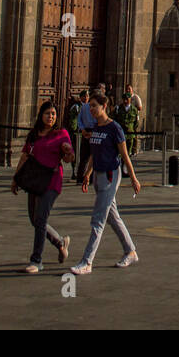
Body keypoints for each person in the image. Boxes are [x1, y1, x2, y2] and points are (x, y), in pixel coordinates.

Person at [70, 94, 141, 273]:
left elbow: (124, 155)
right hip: (98, 175)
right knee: (112, 216)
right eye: (90, 106)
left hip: (110, 175)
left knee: (98, 219)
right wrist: (87, 173)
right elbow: (95, 153)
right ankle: (130, 251)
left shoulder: (114, 128)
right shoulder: (95, 126)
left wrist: (133, 178)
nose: (91, 109)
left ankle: (87, 261)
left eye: (94, 106)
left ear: (104, 106)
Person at [12, 100, 75, 273]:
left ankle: (36, 260)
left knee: (40, 219)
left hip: (52, 181)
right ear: (41, 115)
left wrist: (68, 152)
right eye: (48, 113)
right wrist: (15, 179)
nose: (51, 117)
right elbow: (25, 156)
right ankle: (60, 242)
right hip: (34, 179)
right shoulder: (34, 134)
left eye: (54, 114)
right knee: (35, 220)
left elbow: (69, 158)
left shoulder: (62, 134)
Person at [124, 84, 144, 154]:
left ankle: (134, 150)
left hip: (134, 117)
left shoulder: (136, 97)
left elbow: (140, 107)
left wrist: (132, 108)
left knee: (134, 134)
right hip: (126, 119)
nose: (128, 90)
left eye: (129, 89)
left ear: (132, 90)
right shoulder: (125, 97)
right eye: (127, 89)